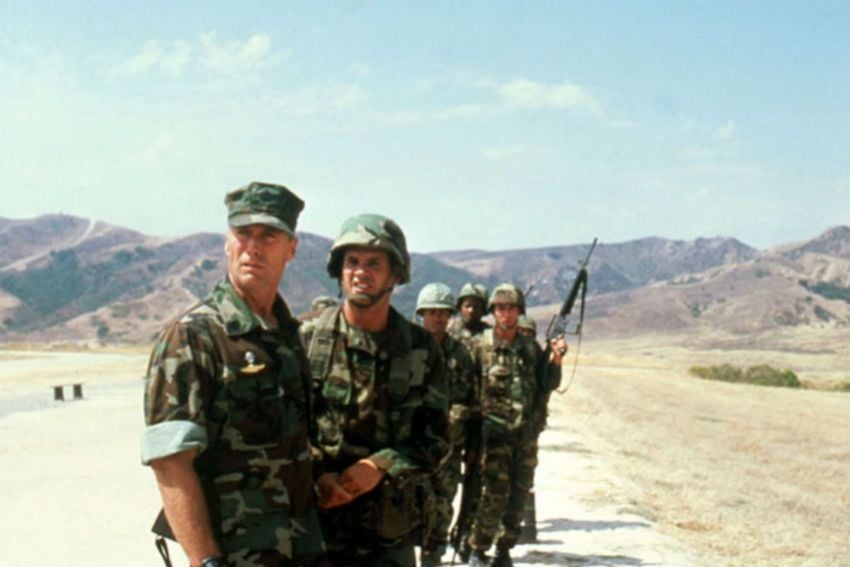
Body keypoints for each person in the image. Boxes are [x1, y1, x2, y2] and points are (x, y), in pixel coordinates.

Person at [141, 182, 325, 567]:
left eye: (268, 236)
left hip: (300, 548)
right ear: (228, 243)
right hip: (235, 555)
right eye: (243, 233)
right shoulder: (194, 337)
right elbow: (170, 463)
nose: (253, 247)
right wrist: (206, 560)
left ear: (291, 249)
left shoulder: (288, 338)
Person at [301, 213, 450, 566]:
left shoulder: (420, 349)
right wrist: (318, 473)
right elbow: (282, 427)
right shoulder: (305, 339)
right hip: (313, 527)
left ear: (395, 274)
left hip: (387, 534)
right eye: (352, 262)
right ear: (339, 270)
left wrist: (381, 465)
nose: (360, 272)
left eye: (374, 264)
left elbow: (437, 439)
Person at [465, 284, 566, 567]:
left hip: (525, 436)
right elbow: (468, 391)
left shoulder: (530, 348)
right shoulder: (480, 346)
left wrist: (556, 358)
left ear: (519, 312)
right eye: (500, 308)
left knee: (519, 494)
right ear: (493, 311)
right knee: (493, 495)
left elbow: (547, 384)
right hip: (495, 435)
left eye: (511, 308)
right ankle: (478, 549)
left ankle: (504, 548)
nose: (506, 314)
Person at [414, 283, 476, 567]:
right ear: (422, 314)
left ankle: (433, 557)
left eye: (443, 313)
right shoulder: (407, 347)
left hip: (447, 446)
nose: (438, 318)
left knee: (442, 503)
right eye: (432, 312)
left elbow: (468, 397)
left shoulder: (460, 353)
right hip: (411, 444)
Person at [447, 283, 490, 350]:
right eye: (467, 306)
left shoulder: (489, 333)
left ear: (483, 310)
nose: (471, 310)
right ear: (460, 307)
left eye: (476, 307)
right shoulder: (449, 331)